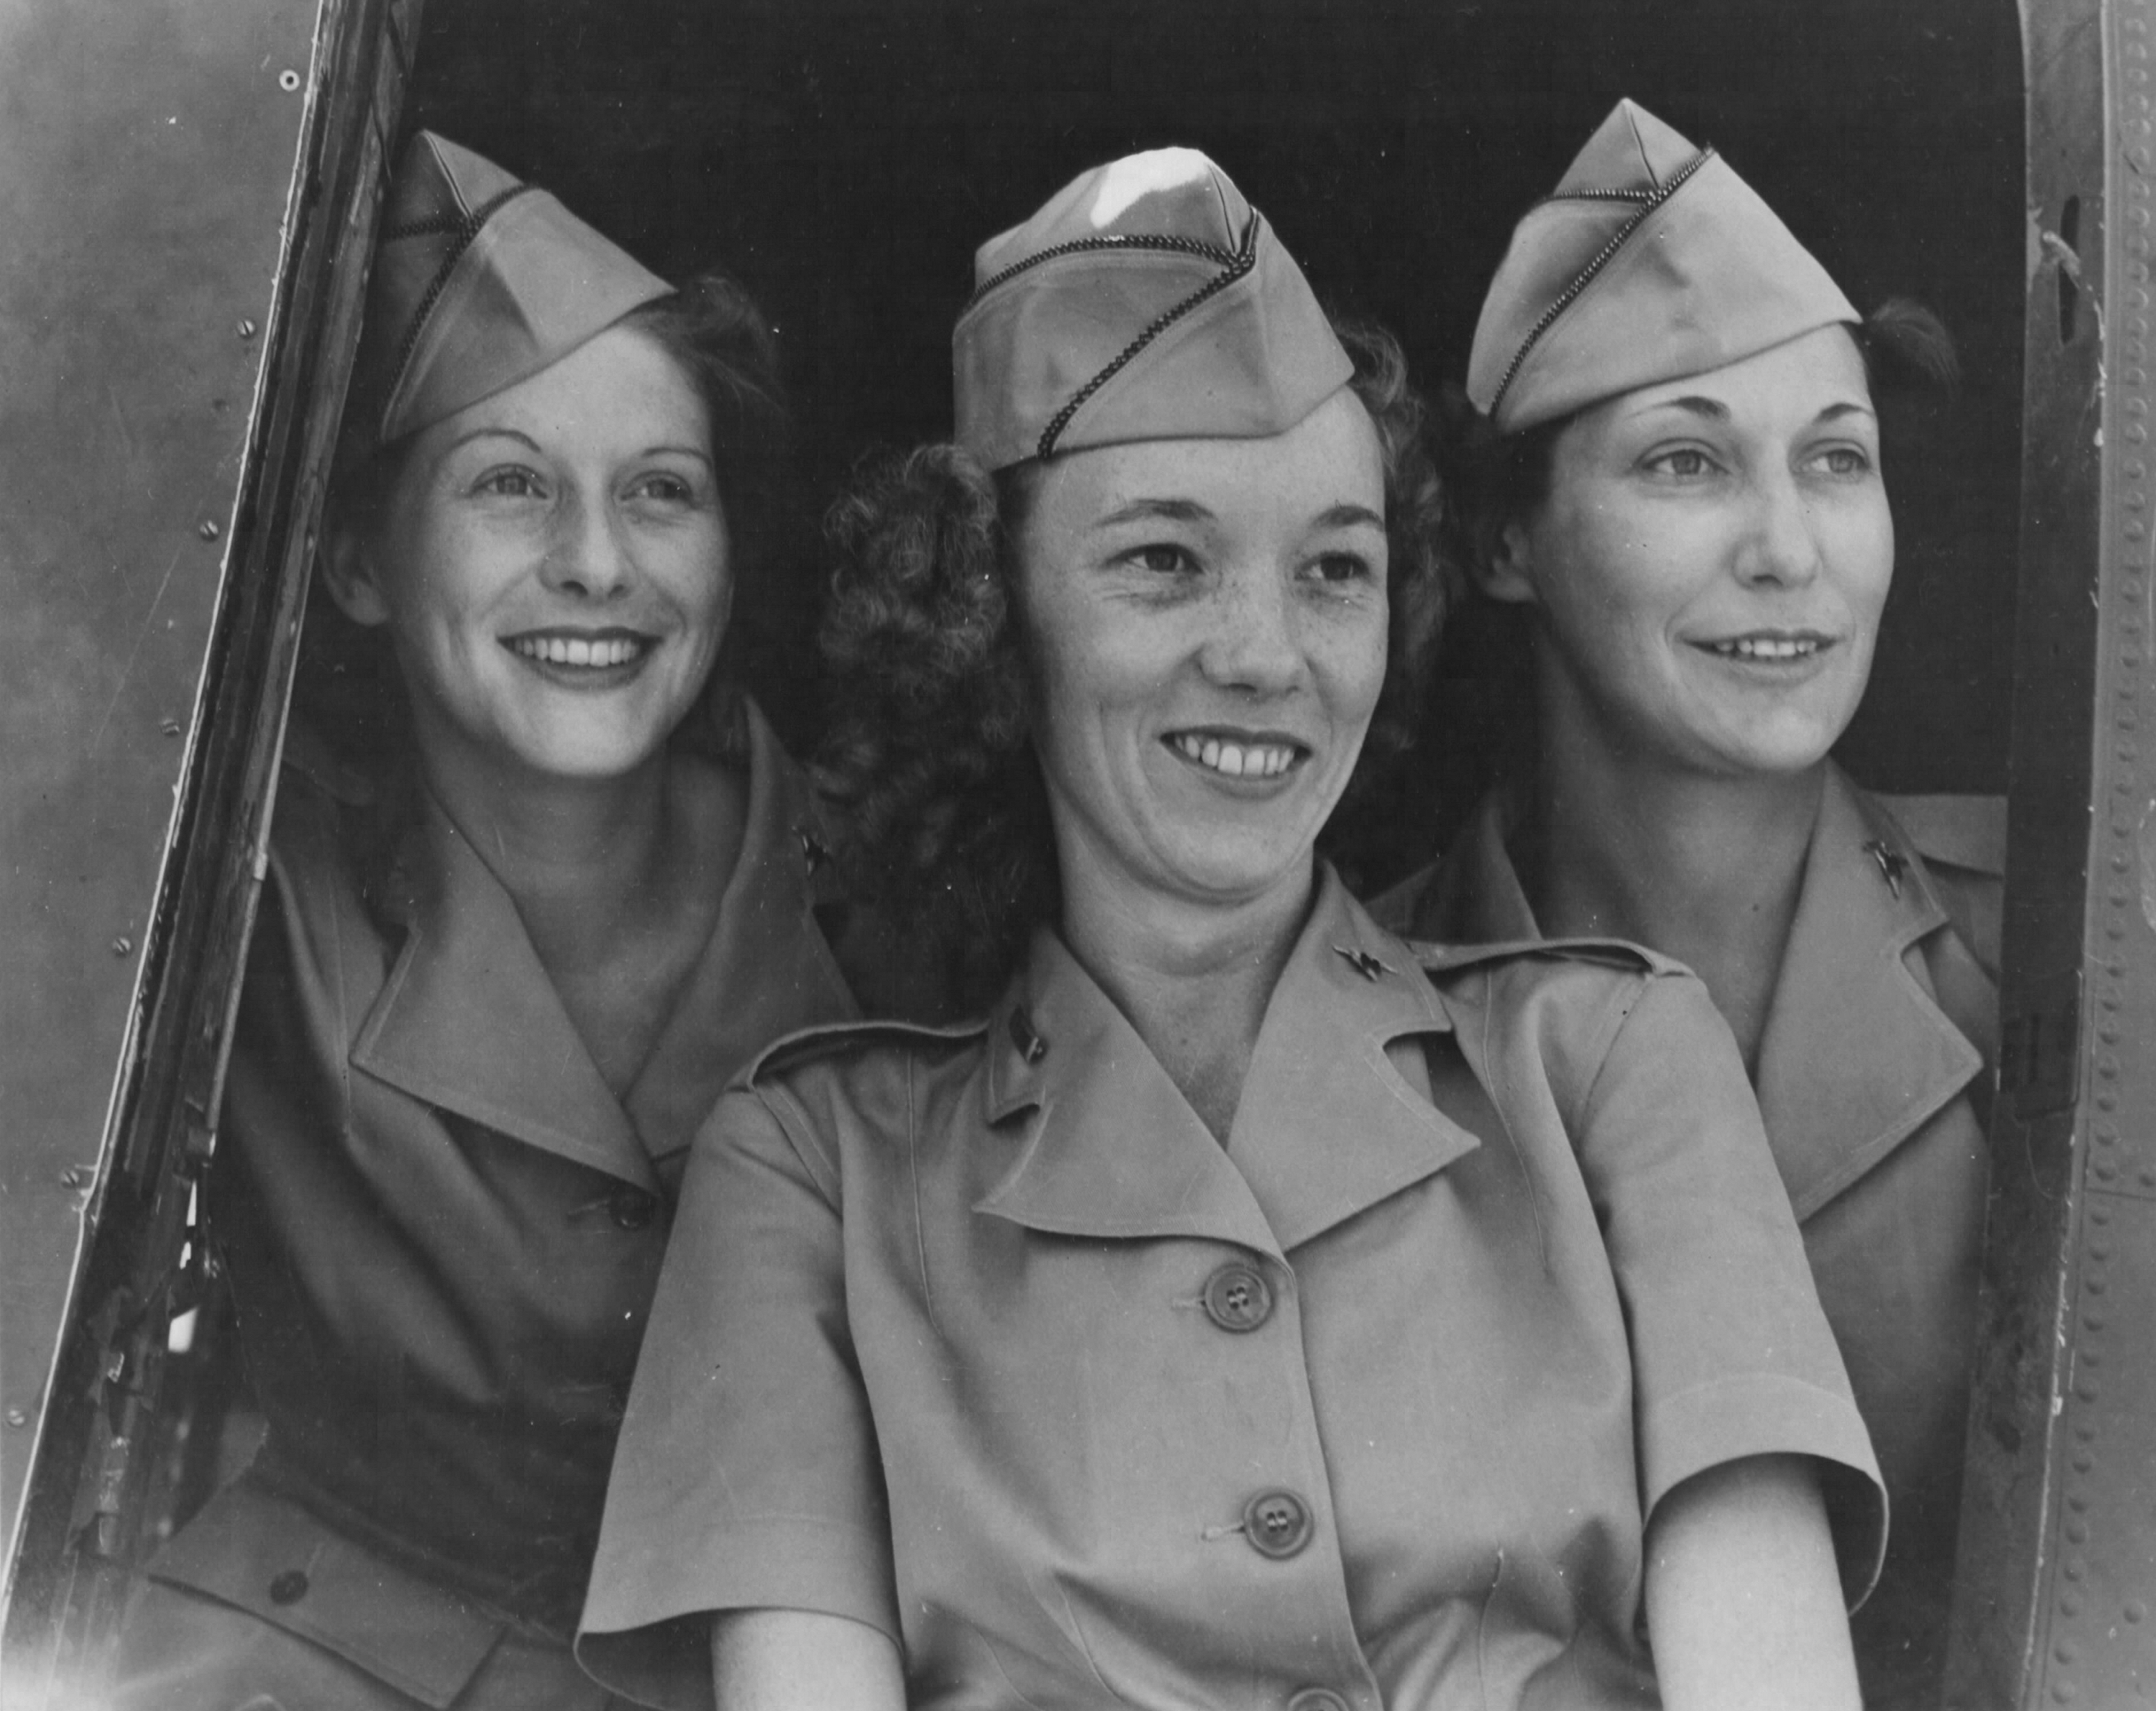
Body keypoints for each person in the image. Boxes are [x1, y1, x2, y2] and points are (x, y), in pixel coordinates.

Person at [578, 147, 1885, 1711]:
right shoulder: (809, 1173)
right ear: (989, 616)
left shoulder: (1610, 1062)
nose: (1268, 655)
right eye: (1164, 563)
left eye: (1334, 569)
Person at [112, 132, 867, 1710]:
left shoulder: (899, 892)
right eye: (511, 483)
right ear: (358, 564)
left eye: (663, 491)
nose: (596, 563)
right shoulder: (241, 891)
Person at [1368, 99, 1998, 1710]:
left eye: (1836, 462)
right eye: (1688, 462)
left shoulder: (2050, 960)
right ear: (1506, 538)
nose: (1790, 550)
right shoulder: (1339, 1007)